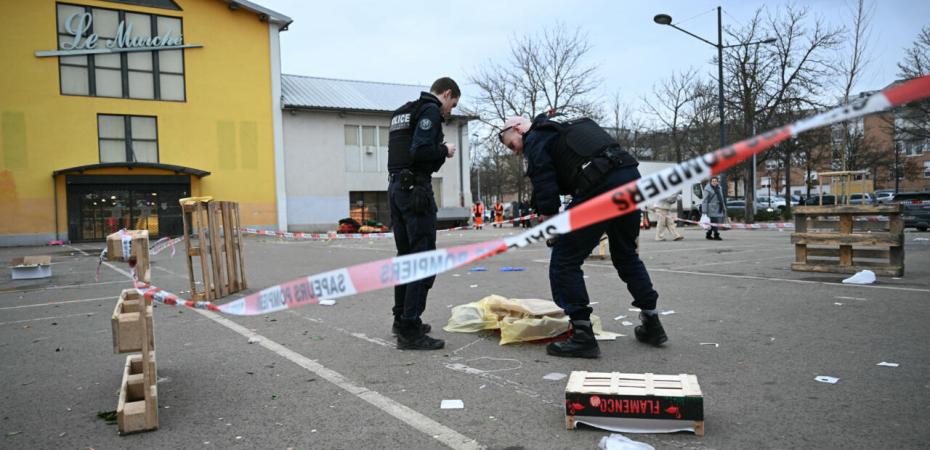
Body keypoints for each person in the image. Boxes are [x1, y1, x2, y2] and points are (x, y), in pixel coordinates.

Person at [498, 114, 668, 358]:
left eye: (511, 145)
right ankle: (652, 323)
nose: (515, 152)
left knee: (564, 260)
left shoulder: (535, 136)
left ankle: (582, 335)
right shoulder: (566, 124)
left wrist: (550, 221)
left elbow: (544, 178)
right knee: (626, 255)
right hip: (629, 177)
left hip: (600, 184)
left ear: (517, 128)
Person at [387, 77, 460, 350]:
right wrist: (444, 150)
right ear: (447, 94)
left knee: (405, 257)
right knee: (422, 259)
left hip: (396, 189)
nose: (450, 111)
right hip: (416, 192)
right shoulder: (429, 110)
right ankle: (410, 328)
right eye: (452, 105)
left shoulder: (402, 112)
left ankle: (401, 320)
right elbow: (420, 151)